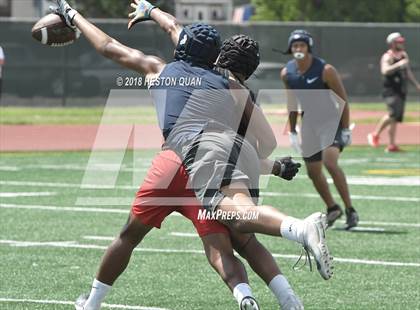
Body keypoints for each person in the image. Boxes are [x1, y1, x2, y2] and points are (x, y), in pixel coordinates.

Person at [52, 1, 305, 309]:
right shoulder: (226, 85)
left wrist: (74, 15)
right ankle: (246, 296)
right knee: (224, 244)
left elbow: (110, 46)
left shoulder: (161, 69)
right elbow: (253, 147)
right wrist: (275, 166)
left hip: (171, 162)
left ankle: (91, 303)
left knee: (129, 236)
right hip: (207, 169)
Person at [281, 30, 359, 230]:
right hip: (308, 124)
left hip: (330, 121)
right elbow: (292, 103)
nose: (298, 49)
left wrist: (345, 129)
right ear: (291, 48)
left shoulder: (326, 70)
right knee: (313, 172)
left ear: (309, 48)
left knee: (330, 162)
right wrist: (292, 131)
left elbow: (342, 100)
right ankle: (333, 208)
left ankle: (350, 209)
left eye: (302, 45)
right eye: (295, 46)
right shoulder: (287, 72)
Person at [367, 32, 420, 152]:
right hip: (390, 90)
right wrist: (398, 64)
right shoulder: (387, 56)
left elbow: (408, 72)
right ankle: (375, 134)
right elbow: (385, 70)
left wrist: (416, 85)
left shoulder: (404, 55)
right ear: (393, 43)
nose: (402, 43)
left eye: (402, 41)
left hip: (401, 89)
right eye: (399, 42)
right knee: (392, 114)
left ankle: (391, 144)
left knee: (395, 118)